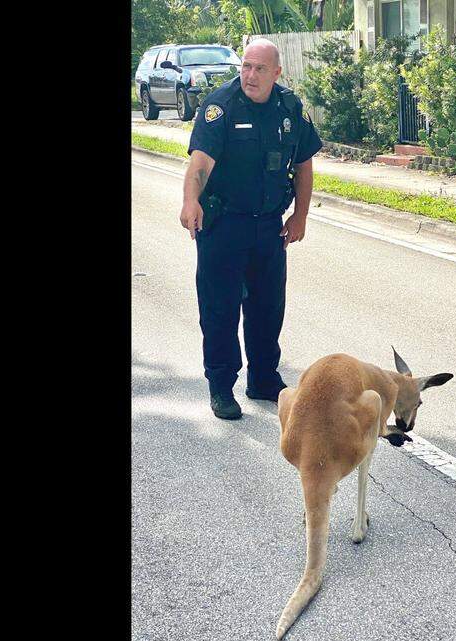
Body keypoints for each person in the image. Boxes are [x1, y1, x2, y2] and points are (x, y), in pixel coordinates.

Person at [180, 38, 323, 420]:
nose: (250, 75)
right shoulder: (220, 106)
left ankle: (262, 378)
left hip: (268, 228)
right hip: (223, 226)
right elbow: (200, 164)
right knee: (220, 309)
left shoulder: (289, 107)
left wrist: (301, 216)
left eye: (260, 68)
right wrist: (190, 199)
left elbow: (304, 164)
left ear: (277, 73)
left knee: (267, 307)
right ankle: (221, 386)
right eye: (246, 66)